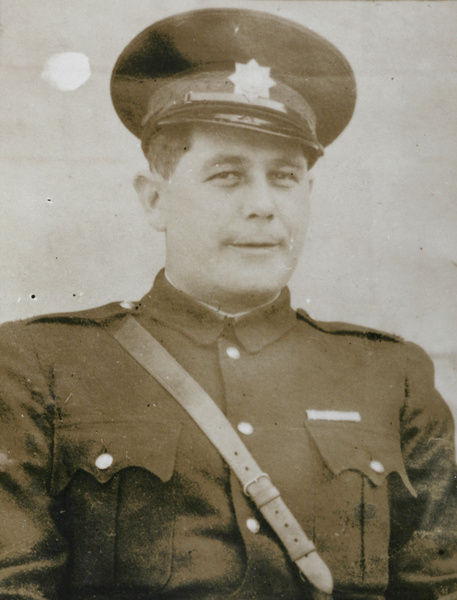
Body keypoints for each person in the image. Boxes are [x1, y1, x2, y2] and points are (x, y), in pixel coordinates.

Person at [0, 7, 456, 600]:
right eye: (228, 176)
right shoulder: (38, 364)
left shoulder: (391, 376)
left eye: (285, 177)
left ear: (308, 194)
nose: (264, 206)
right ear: (154, 200)